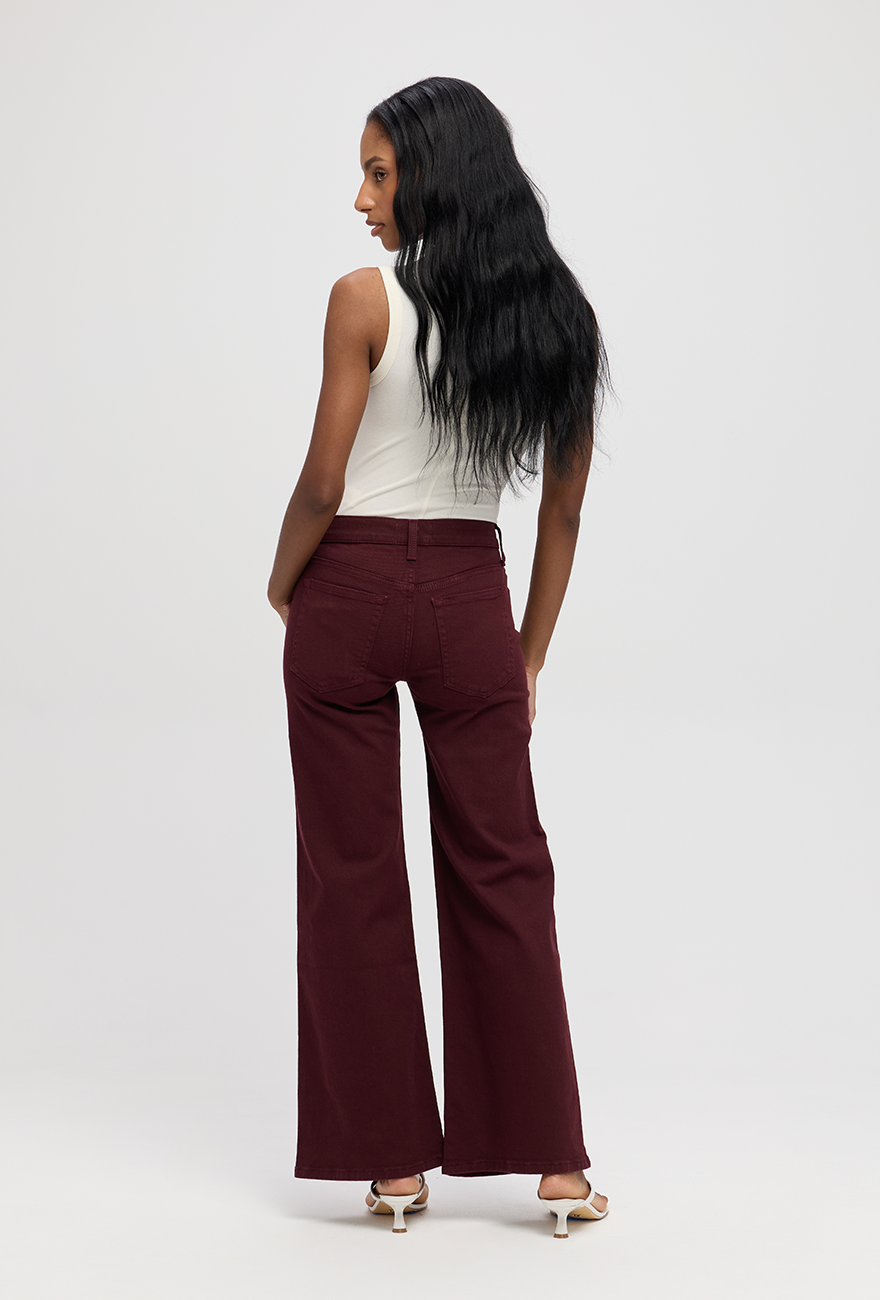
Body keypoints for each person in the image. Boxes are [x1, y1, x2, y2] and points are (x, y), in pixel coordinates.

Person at [267, 76, 613, 1238]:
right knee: (505, 866)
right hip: (472, 596)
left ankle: (392, 1164)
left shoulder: (363, 301)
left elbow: (324, 482)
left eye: (379, 172)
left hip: (348, 590)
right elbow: (562, 512)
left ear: (435, 175)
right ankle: (556, 1165)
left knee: (352, 872)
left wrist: (282, 583)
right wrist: (527, 656)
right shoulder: (556, 317)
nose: (362, 198)